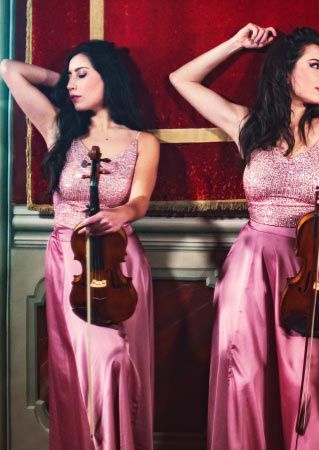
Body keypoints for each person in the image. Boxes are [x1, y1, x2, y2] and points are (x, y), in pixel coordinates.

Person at [170, 24, 319, 450]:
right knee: (245, 375)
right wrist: (236, 44)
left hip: (311, 267)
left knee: (305, 380)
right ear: (285, 72)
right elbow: (181, 80)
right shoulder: (247, 125)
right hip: (251, 266)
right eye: (316, 66)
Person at [1, 40, 159, 450]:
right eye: (69, 76)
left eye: (83, 74)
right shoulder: (59, 128)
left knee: (121, 364)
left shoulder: (143, 141)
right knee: (93, 366)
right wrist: (65, 84)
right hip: (69, 260)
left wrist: (122, 213)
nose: (72, 83)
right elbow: (8, 69)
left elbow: (141, 199)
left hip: (120, 261)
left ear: (110, 77)